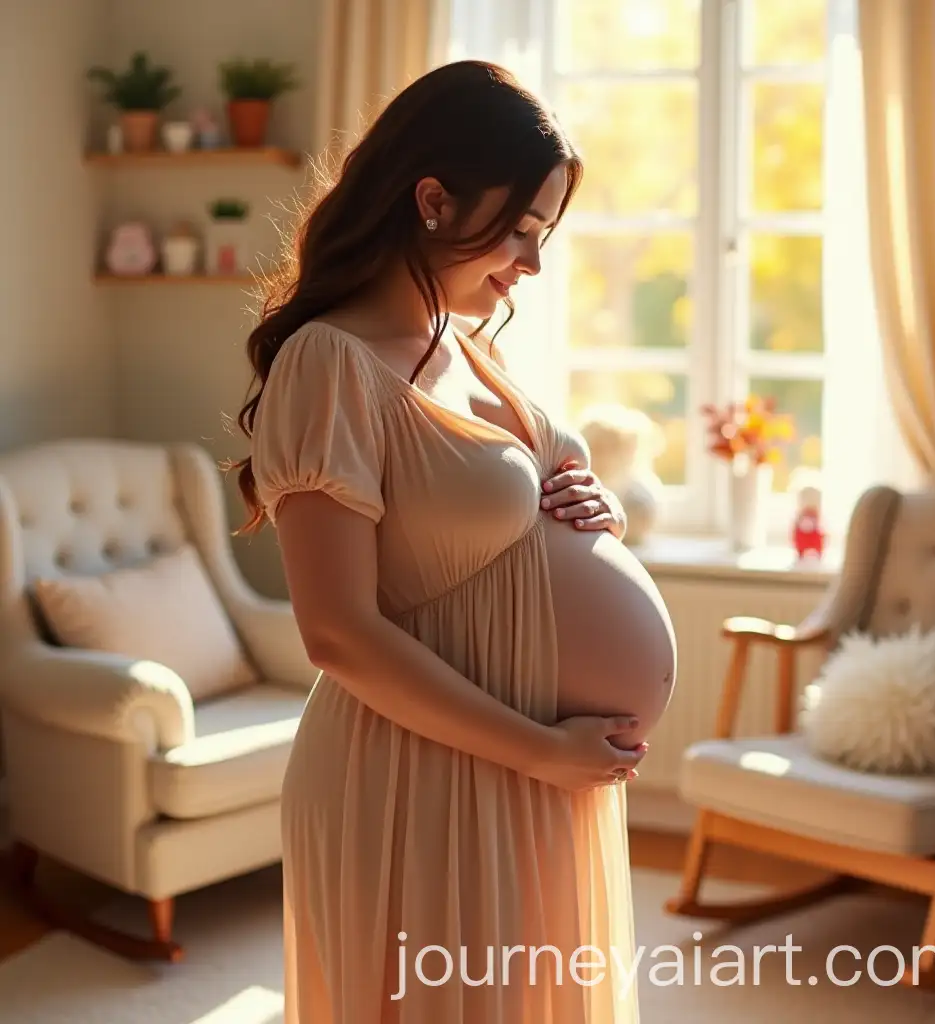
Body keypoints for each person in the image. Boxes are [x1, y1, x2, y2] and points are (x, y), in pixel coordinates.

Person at [231, 59, 663, 1023]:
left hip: (531, 770)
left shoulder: (468, 346)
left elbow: (491, 530)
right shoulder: (328, 364)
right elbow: (336, 632)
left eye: (543, 236)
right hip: (416, 777)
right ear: (432, 200)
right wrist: (540, 751)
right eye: (520, 231)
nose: (533, 264)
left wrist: (594, 515)